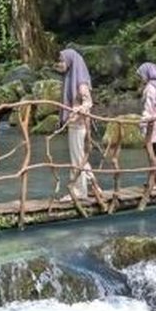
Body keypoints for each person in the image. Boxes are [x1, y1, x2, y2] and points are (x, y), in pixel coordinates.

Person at [57, 48, 97, 200]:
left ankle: (79, 191)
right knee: (80, 156)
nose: (60, 64)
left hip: (78, 125)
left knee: (77, 158)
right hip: (76, 125)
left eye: (62, 60)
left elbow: (88, 102)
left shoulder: (80, 82)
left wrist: (76, 110)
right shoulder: (71, 77)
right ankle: (95, 187)